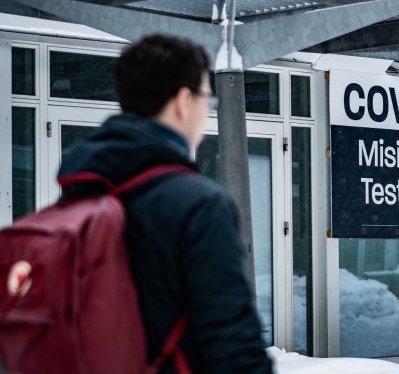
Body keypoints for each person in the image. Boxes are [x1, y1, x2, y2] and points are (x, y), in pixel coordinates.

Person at [58, 35, 273, 373]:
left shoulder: (79, 190)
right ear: (184, 101)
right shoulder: (198, 205)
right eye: (206, 98)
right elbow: (232, 340)